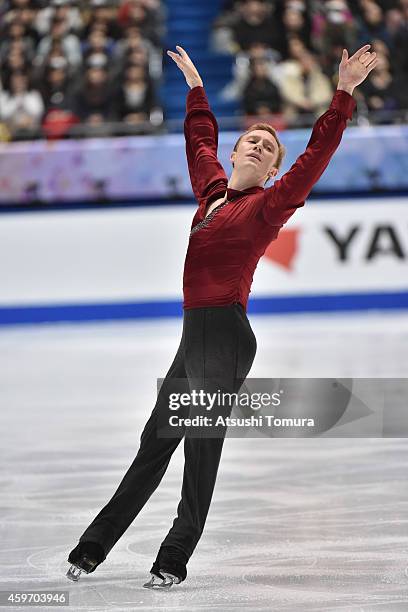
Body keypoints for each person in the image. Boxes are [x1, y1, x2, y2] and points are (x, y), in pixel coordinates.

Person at [66, 42, 378, 589]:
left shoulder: (270, 205)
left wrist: (343, 94)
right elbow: (199, 140)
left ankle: (172, 558)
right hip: (195, 339)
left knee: (200, 452)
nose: (259, 148)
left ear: (273, 169)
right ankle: (92, 548)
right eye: (252, 142)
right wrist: (195, 90)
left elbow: (316, 156)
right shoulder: (211, 191)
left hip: (226, 337)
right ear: (236, 154)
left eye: (269, 149)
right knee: (154, 444)